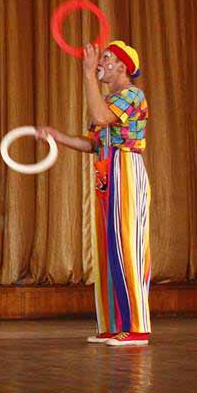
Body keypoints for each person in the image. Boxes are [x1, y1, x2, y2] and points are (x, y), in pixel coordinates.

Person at [38, 40, 150, 346]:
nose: (100, 62)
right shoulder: (107, 100)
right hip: (106, 169)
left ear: (122, 66)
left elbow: (102, 119)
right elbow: (93, 144)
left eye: (106, 58)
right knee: (107, 248)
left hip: (125, 166)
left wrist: (88, 75)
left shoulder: (132, 95)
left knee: (126, 245)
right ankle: (114, 325)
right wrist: (58, 137)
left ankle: (137, 327)